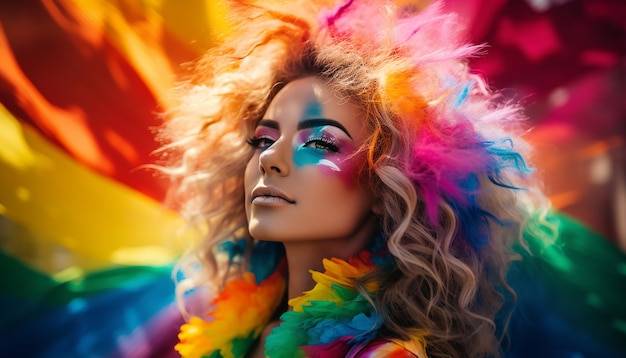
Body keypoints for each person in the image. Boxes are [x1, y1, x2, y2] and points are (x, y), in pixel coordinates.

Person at [157, 0, 551, 357]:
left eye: (320, 142)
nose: (270, 159)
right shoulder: (237, 333)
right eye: (263, 139)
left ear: (387, 184)